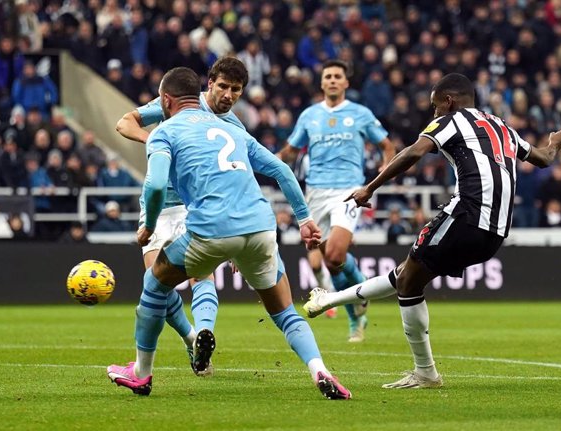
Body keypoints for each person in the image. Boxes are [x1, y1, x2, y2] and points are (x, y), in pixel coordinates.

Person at [303, 73, 561, 389]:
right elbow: (542, 157)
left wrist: (370, 188)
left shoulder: (451, 121)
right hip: (495, 233)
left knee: (408, 281)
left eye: (434, 107)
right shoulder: (503, 127)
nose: (433, 114)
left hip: (466, 215)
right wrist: (554, 142)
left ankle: (425, 373)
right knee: (406, 276)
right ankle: (329, 300)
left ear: (449, 101)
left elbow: (413, 153)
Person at [107, 67, 351, 400]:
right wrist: (305, 220)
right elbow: (281, 169)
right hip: (261, 227)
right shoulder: (231, 129)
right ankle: (319, 369)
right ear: (204, 90)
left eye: (236, 89)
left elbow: (155, 184)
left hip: (208, 226)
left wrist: (147, 223)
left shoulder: (166, 130)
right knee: (283, 311)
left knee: (155, 282)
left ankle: (141, 373)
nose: (229, 95)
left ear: (165, 100)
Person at [115, 56, 249, 377]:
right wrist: (159, 141)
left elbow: (239, 179)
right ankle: (193, 338)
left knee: (199, 277)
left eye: (236, 90)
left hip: (197, 206)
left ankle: (203, 333)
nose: (228, 95)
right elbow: (124, 123)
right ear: (209, 84)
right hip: (159, 207)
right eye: (223, 87)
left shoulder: (234, 127)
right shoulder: (176, 103)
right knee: (158, 284)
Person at [277, 59, 396, 342]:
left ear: (345, 83)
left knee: (335, 255)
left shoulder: (360, 114)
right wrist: (269, 161)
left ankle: (360, 293)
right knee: (328, 263)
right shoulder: (309, 116)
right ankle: (357, 310)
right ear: (321, 83)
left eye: (337, 76)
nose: (331, 80)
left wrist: (384, 169)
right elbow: (291, 151)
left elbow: (387, 146)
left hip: (348, 191)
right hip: (315, 193)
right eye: (327, 76)